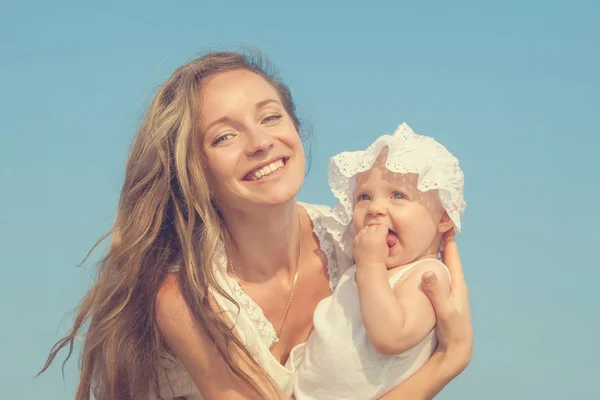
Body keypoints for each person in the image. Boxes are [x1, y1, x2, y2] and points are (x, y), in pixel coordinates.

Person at [39, 51, 473, 400]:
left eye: (270, 117)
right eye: (224, 136)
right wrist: (449, 360)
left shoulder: (352, 240)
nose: (261, 142)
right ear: (194, 173)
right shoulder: (185, 295)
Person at [295, 123, 466, 399]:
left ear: (444, 217)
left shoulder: (427, 275)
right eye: (364, 197)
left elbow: (392, 337)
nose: (374, 208)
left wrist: (371, 265)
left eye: (398, 195)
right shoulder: (361, 266)